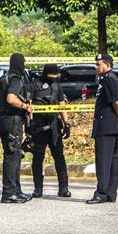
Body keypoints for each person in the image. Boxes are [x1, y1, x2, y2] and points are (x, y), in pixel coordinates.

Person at [87, 54, 118, 204]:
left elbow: (117, 103)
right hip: (107, 125)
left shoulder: (110, 79)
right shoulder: (106, 79)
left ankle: (101, 193)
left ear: (107, 64)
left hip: (106, 126)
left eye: (98, 64)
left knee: (103, 161)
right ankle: (110, 193)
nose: (96, 67)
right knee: (111, 161)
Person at [29, 64, 72, 198]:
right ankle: (38, 188)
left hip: (54, 126)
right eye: (51, 75)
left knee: (59, 158)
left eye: (55, 75)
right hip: (38, 126)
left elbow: (62, 105)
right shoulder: (34, 84)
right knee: (38, 158)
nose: (53, 77)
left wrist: (67, 123)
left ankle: (63, 188)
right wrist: (29, 126)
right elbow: (28, 105)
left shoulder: (57, 86)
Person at [0, 53, 33, 203]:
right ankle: (9, 193)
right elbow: (11, 98)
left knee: (16, 154)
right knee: (12, 156)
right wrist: (25, 106)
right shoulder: (16, 79)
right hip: (12, 120)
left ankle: (16, 190)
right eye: (24, 62)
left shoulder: (4, 78)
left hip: (5, 119)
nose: (25, 64)